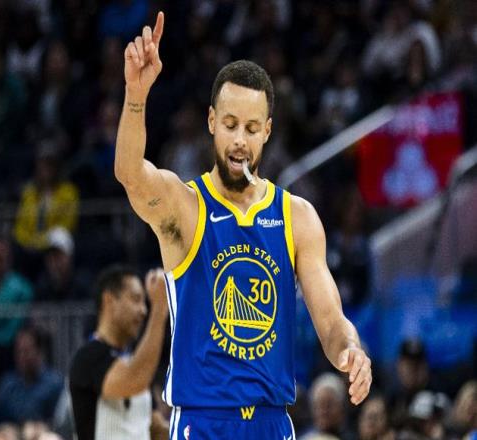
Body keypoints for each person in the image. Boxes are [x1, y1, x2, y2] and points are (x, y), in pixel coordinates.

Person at [115, 12, 372, 439]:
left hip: (273, 422)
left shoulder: (297, 216)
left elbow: (331, 321)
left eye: (252, 129)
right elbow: (129, 173)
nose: (239, 140)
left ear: (267, 131)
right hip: (202, 422)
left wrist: (351, 350)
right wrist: (136, 95)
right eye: (230, 125)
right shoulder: (186, 206)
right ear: (211, 122)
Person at [69, 265, 169, 440]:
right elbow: (134, 379)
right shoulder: (88, 357)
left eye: (145, 302)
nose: (143, 310)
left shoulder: (136, 361)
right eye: (136, 299)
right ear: (109, 300)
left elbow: (157, 427)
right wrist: (160, 308)